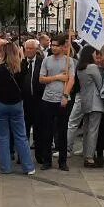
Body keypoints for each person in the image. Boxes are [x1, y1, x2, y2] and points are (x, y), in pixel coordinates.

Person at [0, 41, 35, 175]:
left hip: (0, 104)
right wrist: (21, 56)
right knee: (21, 136)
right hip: (17, 104)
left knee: (3, 136)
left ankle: (6, 167)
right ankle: (28, 167)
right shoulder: (22, 67)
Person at [35, 33, 75, 171]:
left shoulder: (69, 61)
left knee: (62, 131)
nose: (54, 48)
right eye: (52, 45)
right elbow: (41, 79)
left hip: (62, 99)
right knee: (47, 130)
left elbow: (71, 80)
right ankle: (47, 160)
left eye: (57, 46)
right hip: (48, 98)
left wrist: (65, 95)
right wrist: (56, 77)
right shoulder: (47, 60)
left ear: (63, 47)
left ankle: (62, 161)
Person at [73, 46, 104, 168]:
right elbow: (100, 84)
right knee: (93, 130)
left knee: (87, 130)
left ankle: (87, 153)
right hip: (95, 101)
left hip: (85, 100)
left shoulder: (80, 68)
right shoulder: (92, 67)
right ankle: (90, 157)